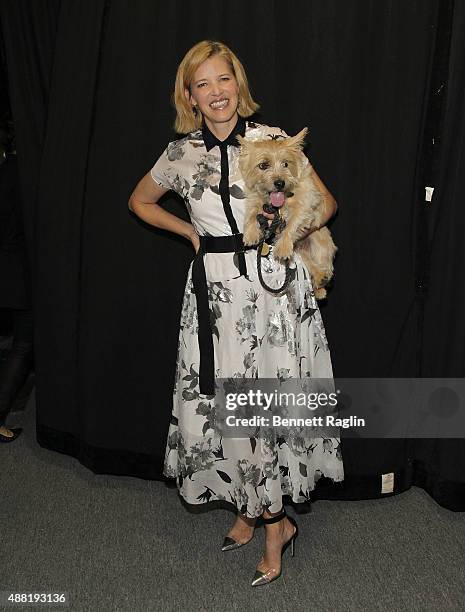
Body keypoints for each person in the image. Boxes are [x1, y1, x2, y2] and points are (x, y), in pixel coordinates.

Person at [129, 40, 344, 586]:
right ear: (190, 95)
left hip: (275, 290)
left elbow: (327, 205)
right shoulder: (180, 155)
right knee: (227, 405)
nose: (216, 91)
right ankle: (251, 507)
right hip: (217, 295)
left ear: (237, 84)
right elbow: (140, 201)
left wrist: (287, 232)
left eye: (223, 79)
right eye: (203, 83)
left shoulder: (272, 140)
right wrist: (191, 234)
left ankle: (276, 525)